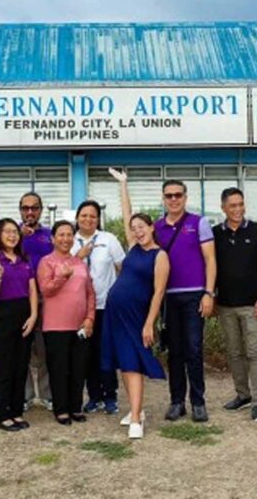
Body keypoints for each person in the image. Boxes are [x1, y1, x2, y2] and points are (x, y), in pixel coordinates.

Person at [101, 168, 168, 439]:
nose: (137, 231)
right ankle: (135, 410)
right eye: (134, 228)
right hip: (115, 313)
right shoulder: (133, 246)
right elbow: (126, 212)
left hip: (136, 315)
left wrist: (149, 323)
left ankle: (137, 419)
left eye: (142, 227)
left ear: (152, 227)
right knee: (124, 362)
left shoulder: (160, 255)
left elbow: (159, 292)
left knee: (132, 363)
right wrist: (123, 184)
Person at [155, 178, 216, 423]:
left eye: (178, 195)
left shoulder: (199, 223)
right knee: (175, 352)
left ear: (185, 197)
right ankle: (177, 402)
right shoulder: (157, 227)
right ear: (163, 198)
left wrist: (208, 293)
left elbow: (210, 260)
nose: (173, 199)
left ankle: (198, 402)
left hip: (195, 295)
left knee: (194, 349)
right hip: (169, 298)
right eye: (169, 195)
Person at [213, 188, 257, 423]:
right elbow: (210, 265)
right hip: (225, 305)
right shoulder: (215, 233)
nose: (238, 209)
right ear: (223, 208)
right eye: (233, 205)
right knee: (234, 353)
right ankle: (243, 395)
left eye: (241, 204)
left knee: (255, 352)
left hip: (252, 304)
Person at [0, 218, 39, 431]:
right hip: (2, 317)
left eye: (15, 231)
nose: (12, 235)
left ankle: (17, 411)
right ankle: (3, 415)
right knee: (5, 367)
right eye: (7, 231)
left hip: (24, 315)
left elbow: (32, 289)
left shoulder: (25, 259)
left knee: (21, 366)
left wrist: (33, 316)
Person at [38, 221, 96, 425]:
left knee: (79, 368)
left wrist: (89, 318)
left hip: (80, 325)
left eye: (69, 235)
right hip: (56, 326)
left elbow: (90, 293)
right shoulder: (47, 262)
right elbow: (46, 290)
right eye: (61, 235)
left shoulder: (79, 262)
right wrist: (61, 277)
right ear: (53, 239)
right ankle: (61, 409)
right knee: (59, 368)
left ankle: (75, 407)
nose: (65, 239)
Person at [72, 199, 125, 415]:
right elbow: (62, 267)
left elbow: (122, 267)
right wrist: (79, 256)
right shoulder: (69, 240)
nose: (88, 219)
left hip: (105, 306)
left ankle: (110, 395)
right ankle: (94, 396)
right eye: (84, 215)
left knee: (106, 351)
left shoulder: (108, 239)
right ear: (77, 218)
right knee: (87, 354)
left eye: (93, 216)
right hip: (80, 308)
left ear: (98, 219)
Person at [19, 191, 54, 412]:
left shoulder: (49, 235)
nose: (30, 212)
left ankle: (47, 394)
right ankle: (25, 396)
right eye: (25, 208)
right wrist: (18, 235)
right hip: (19, 299)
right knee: (21, 350)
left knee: (44, 350)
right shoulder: (11, 234)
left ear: (40, 210)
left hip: (45, 299)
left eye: (34, 208)